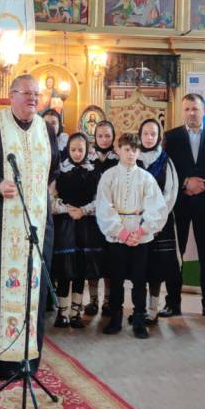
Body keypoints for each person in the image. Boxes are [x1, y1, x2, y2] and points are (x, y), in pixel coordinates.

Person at [0, 74, 59, 381]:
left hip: (35, 223)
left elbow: (53, 169)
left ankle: (23, 360)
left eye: (36, 94)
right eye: (27, 93)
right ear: (11, 94)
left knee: (32, 293)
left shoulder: (46, 128)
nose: (33, 99)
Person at [162, 93, 205, 322]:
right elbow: (166, 168)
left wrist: (204, 184)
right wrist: (186, 182)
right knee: (176, 257)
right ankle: (172, 303)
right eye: (187, 109)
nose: (191, 113)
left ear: (204, 111)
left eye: (195, 108)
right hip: (179, 204)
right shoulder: (170, 137)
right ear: (182, 112)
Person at [96, 133, 168, 338]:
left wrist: (141, 231)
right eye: (127, 149)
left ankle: (139, 320)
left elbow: (157, 208)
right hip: (117, 236)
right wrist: (123, 233)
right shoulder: (109, 176)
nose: (131, 154)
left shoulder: (146, 178)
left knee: (139, 279)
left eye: (135, 150)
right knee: (116, 278)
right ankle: (115, 318)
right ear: (118, 150)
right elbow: (103, 207)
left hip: (140, 236)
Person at [50, 133, 98, 328]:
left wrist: (84, 210)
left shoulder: (93, 172)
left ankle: (76, 312)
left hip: (85, 225)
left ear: (86, 150)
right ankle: (62, 313)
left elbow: (99, 199)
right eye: (73, 150)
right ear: (67, 150)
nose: (77, 153)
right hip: (65, 225)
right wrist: (66, 209)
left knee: (80, 270)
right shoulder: (60, 172)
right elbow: (51, 198)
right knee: (65, 270)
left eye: (80, 150)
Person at [138, 119, 179, 324]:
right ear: (140, 135)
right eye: (145, 133)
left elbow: (171, 193)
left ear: (159, 137)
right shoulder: (133, 158)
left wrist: (156, 220)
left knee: (156, 268)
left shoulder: (166, 160)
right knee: (139, 267)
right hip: (136, 222)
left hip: (160, 223)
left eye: (153, 134)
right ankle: (139, 309)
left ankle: (152, 310)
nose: (149, 138)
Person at [85, 120, 117, 316]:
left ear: (113, 137)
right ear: (94, 137)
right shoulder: (88, 158)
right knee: (93, 258)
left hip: (112, 216)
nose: (104, 140)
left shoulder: (118, 158)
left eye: (107, 136)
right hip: (91, 217)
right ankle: (93, 300)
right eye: (100, 136)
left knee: (109, 260)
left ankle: (108, 300)